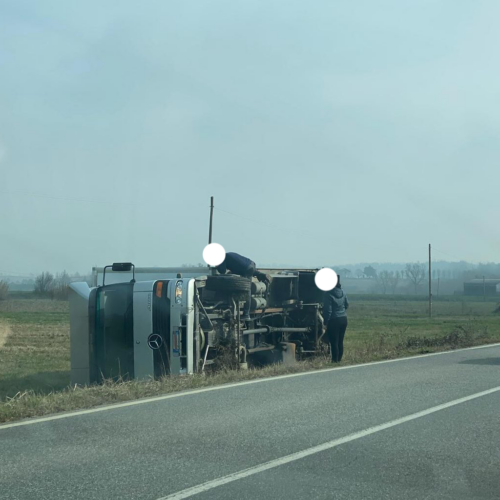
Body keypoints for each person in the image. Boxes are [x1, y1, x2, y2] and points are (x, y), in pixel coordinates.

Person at [216, 252, 257, 321]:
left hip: (246, 269)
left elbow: (222, 271)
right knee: (247, 289)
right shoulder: (227, 255)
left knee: (246, 289)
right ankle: (245, 313)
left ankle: (246, 314)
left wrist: (216, 265)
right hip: (250, 264)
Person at [323, 278, 349, 363]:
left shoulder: (328, 295)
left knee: (334, 341)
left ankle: (335, 360)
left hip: (334, 320)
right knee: (340, 341)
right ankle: (339, 359)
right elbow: (347, 305)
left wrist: (325, 322)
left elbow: (328, 311)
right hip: (344, 319)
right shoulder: (343, 292)